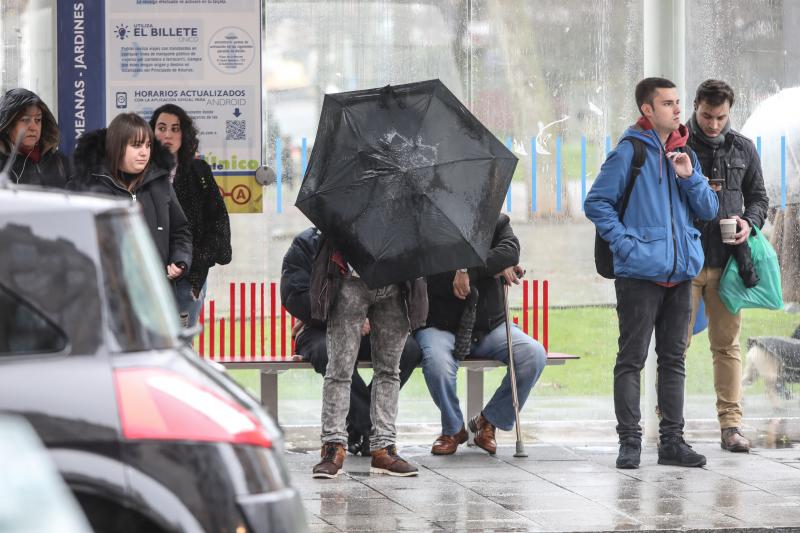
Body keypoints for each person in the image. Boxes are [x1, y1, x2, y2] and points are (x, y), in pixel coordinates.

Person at [585, 77, 719, 469]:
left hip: (680, 275)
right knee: (632, 358)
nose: (677, 109)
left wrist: (688, 175)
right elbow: (597, 203)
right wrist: (626, 244)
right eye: (667, 103)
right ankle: (630, 442)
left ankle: (672, 443)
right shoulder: (630, 152)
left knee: (673, 359)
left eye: (678, 102)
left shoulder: (684, 151)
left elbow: (709, 209)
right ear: (647, 109)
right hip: (640, 275)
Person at [280, 227, 422, 455]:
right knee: (327, 353)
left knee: (410, 350)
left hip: (370, 327)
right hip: (319, 327)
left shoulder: (378, 242)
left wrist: (368, 316)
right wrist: (347, 315)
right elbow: (293, 295)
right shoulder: (305, 243)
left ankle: (358, 428)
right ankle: (369, 430)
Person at [414, 214, 547, 455]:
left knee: (533, 354)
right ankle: (454, 428)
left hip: (490, 326)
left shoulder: (495, 221)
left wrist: (469, 271)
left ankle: (489, 421)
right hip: (440, 325)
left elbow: (509, 252)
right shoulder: (429, 224)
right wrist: (490, 266)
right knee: (437, 364)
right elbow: (432, 269)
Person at [686, 79, 769, 452]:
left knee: (727, 345)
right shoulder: (678, 144)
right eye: (707, 115)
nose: (714, 124)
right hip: (684, 262)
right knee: (675, 346)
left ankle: (731, 425)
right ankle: (670, 424)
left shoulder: (743, 149)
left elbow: (760, 199)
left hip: (727, 263)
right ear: (695, 106)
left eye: (720, 117)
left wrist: (749, 223)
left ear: (729, 112)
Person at [308, 233, 427, 478]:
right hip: (350, 279)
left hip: (396, 280)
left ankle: (384, 448)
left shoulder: (410, 197)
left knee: (389, 370)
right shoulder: (347, 195)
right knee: (339, 369)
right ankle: (333, 446)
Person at [68, 113, 192, 280]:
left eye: (148, 145)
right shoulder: (87, 187)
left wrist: (180, 260)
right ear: (116, 147)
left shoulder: (161, 184)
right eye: (136, 145)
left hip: (155, 292)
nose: (144, 152)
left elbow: (180, 231)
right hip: (108, 293)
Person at [149, 104, 232, 327]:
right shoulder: (139, 171)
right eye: (161, 127)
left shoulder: (199, 171)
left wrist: (193, 262)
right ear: (151, 132)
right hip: (148, 275)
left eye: (175, 128)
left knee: (182, 343)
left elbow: (218, 224)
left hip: (189, 277)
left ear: (184, 134)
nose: (168, 134)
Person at [0, 88, 69, 188]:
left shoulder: (60, 162)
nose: (34, 127)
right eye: (25, 120)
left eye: (38, 119)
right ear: (8, 126)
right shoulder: (3, 165)